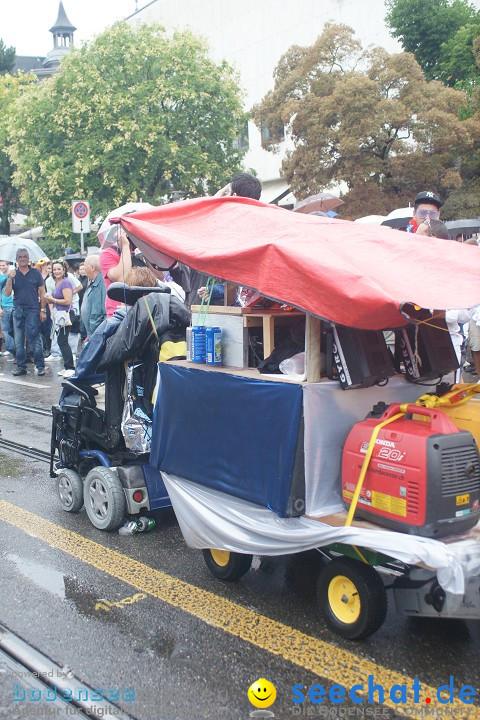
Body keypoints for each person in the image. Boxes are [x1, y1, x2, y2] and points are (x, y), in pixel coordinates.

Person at [196, 173, 263, 304]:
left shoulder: (233, 229)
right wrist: (214, 291)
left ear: (234, 196)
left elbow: (202, 216)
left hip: (243, 310)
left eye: (228, 192)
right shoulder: (261, 224)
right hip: (258, 306)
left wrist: (219, 195)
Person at [3, 248, 46, 376]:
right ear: (16, 259)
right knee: (18, 341)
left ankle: (40, 366)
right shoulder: (13, 274)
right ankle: (21, 367)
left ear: (28, 259)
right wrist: (10, 279)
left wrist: (42, 310)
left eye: (25, 256)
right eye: (20, 256)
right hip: (18, 310)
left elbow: (42, 292)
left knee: (35, 339)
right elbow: (7, 293)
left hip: (33, 310)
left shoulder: (36, 273)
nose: (22, 258)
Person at [44, 260, 75, 379]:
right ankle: (67, 366)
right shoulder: (57, 281)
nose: (56, 271)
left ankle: (70, 368)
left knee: (63, 341)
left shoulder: (66, 282)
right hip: (59, 314)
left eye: (59, 269)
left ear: (64, 270)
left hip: (66, 314)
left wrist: (53, 300)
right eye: (54, 269)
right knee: (61, 341)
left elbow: (68, 301)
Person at [100, 225, 134, 317]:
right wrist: (125, 247)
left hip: (145, 310)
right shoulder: (108, 253)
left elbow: (159, 276)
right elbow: (121, 278)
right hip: (119, 312)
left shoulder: (140, 250)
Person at [81, 255, 106, 339]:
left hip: (97, 333)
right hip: (93, 333)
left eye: (85, 265)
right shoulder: (93, 281)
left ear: (92, 268)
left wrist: (97, 333)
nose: (83, 268)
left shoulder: (101, 282)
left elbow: (103, 311)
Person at [0, 260, 15, 357]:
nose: (2, 267)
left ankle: (17, 349)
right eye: (0, 265)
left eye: (3, 265)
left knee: (16, 329)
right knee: (6, 329)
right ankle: (10, 349)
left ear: (8, 265)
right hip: (4, 305)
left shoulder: (14, 275)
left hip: (14, 305)